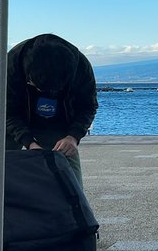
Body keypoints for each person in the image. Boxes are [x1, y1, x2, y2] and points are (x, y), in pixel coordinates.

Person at [5, 33, 97, 190]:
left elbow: (87, 106)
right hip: (14, 119)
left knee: (70, 181)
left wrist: (73, 137)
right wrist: (30, 143)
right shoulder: (11, 64)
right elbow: (7, 111)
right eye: (34, 85)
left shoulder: (80, 67)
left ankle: (71, 211)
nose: (40, 91)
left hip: (58, 124)